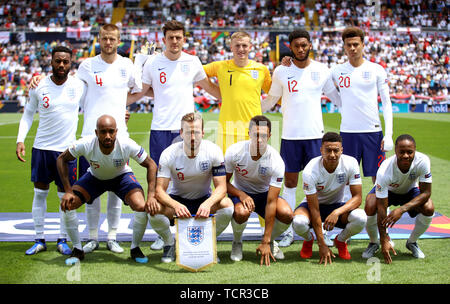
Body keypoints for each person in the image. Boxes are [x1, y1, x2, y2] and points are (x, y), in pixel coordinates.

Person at [30, 24, 142, 254]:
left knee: (115, 191)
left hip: (119, 135)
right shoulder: (87, 66)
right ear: (99, 39)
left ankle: (112, 237)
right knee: (92, 191)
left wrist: (122, 109)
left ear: (119, 40)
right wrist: (41, 78)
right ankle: (92, 237)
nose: (108, 42)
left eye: (112, 39)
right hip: (90, 136)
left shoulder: (127, 65)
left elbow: (135, 91)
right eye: (104, 38)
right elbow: (66, 83)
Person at [127, 21, 221, 253]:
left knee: (186, 177)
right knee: (162, 182)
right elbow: (142, 90)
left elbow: (209, 87)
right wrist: (115, 101)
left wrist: (238, 96)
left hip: (187, 130)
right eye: (171, 37)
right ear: (164, 39)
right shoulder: (153, 62)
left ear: (183, 39)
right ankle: (165, 234)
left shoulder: (192, 61)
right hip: (160, 128)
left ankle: (190, 224)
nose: (175, 41)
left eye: (179, 37)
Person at [262, 29, 342, 248]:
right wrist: (250, 109)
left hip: (316, 137)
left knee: (321, 184)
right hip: (290, 136)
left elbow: (336, 98)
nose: (300, 49)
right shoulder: (281, 71)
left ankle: (324, 231)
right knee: (289, 182)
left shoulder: (321, 70)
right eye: (296, 46)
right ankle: (288, 231)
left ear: (310, 45)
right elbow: (271, 100)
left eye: (304, 45)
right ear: (290, 47)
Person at [57, 115, 157, 265]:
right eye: (103, 132)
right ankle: (78, 250)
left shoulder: (126, 144)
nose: (108, 136)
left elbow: (151, 164)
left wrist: (151, 195)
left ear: (117, 131)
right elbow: (61, 159)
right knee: (68, 205)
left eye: (111, 131)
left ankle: (135, 248)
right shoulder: (86, 143)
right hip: (95, 178)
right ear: (96, 133)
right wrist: (68, 190)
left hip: (121, 177)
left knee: (141, 207)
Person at [16, 46, 86, 256]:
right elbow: (28, 114)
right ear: (51, 62)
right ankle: (39, 239)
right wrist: (21, 139)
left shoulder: (79, 85)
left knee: (65, 196)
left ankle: (62, 239)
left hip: (67, 153)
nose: (61, 65)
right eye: (58, 61)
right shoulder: (39, 85)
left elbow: (97, 102)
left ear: (71, 62)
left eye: (65, 61)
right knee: (39, 194)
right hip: (42, 149)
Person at [147, 112, 234, 263]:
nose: (193, 137)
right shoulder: (169, 154)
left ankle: (208, 244)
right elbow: (159, 190)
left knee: (227, 206)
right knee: (153, 210)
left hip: (203, 201)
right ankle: (169, 243)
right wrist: (176, 205)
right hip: (177, 202)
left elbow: (221, 188)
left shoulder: (214, 151)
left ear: (203, 133)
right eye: (188, 132)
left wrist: (208, 204)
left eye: (196, 132)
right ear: (181, 133)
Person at [225, 115, 293, 266]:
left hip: (264, 195)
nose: (259, 139)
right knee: (241, 212)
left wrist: (266, 240)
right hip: (240, 192)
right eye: (256, 134)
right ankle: (237, 242)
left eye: (263, 135)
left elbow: (271, 201)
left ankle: (271, 241)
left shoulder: (276, 161)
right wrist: (241, 195)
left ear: (269, 136)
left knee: (287, 214)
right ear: (249, 133)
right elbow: (223, 183)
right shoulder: (234, 151)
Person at [292, 132, 367, 265]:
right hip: (313, 206)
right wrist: (322, 244)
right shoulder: (310, 170)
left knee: (361, 218)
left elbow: (358, 198)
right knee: (298, 222)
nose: (332, 154)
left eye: (336, 150)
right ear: (321, 150)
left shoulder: (351, 162)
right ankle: (309, 240)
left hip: (337, 205)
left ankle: (341, 241)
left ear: (341, 150)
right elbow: (314, 210)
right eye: (328, 150)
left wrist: (337, 212)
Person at [330, 27, 393, 184]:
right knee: (344, 179)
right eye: (349, 45)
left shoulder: (376, 69)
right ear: (344, 46)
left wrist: (389, 134)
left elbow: (386, 102)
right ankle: (346, 209)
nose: (352, 48)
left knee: (379, 178)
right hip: (348, 132)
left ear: (363, 44)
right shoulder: (337, 71)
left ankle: (381, 209)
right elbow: (319, 82)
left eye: (356, 44)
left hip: (372, 131)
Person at [362, 134, 434, 264]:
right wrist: (384, 240)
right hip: (388, 191)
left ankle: (412, 242)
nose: (406, 155)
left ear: (415, 150)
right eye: (402, 152)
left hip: (409, 191)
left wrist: (401, 210)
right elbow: (382, 208)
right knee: (370, 204)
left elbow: (426, 193)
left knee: (429, 207)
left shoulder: (423, 161)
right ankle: (374, 242)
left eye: (410, 152)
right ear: (395, 151)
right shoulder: (384, 170)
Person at [203, 31, 272, 153]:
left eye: (244, 46)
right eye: (237, 46)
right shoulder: (220, 66)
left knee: (252, 171)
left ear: (250, 47)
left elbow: (274, 93)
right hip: (227, 129)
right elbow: (197, 72)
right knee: (225, 171)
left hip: (253, 130)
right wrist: (215, 91)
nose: (241, 49)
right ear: (231, 47)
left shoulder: (261, 69)